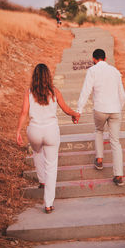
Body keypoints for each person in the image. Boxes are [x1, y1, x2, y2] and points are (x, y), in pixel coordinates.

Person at [17, 63, 79, 213]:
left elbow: (24, 112)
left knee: (37, 152)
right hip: (51, 131)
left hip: (35, 131)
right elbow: (66, 109)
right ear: (48, 76)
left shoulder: (29, 92)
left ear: (35, 77)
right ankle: (48, 204)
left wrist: (18, 131)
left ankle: (42, 180)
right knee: (51, 166)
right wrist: (75, 115)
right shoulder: (55, 91)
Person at [76, 49, 125, 186]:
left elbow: (85, 91)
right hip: (115, 110)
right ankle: (119, 175)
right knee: (115, 142)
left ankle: (99, 159)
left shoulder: (92, 71)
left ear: (93, 58)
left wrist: (78, 110)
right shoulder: (115, 71)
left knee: (99, 130)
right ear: (105, 58)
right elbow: (122, 95)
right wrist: (118, 108)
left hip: (100, 109)